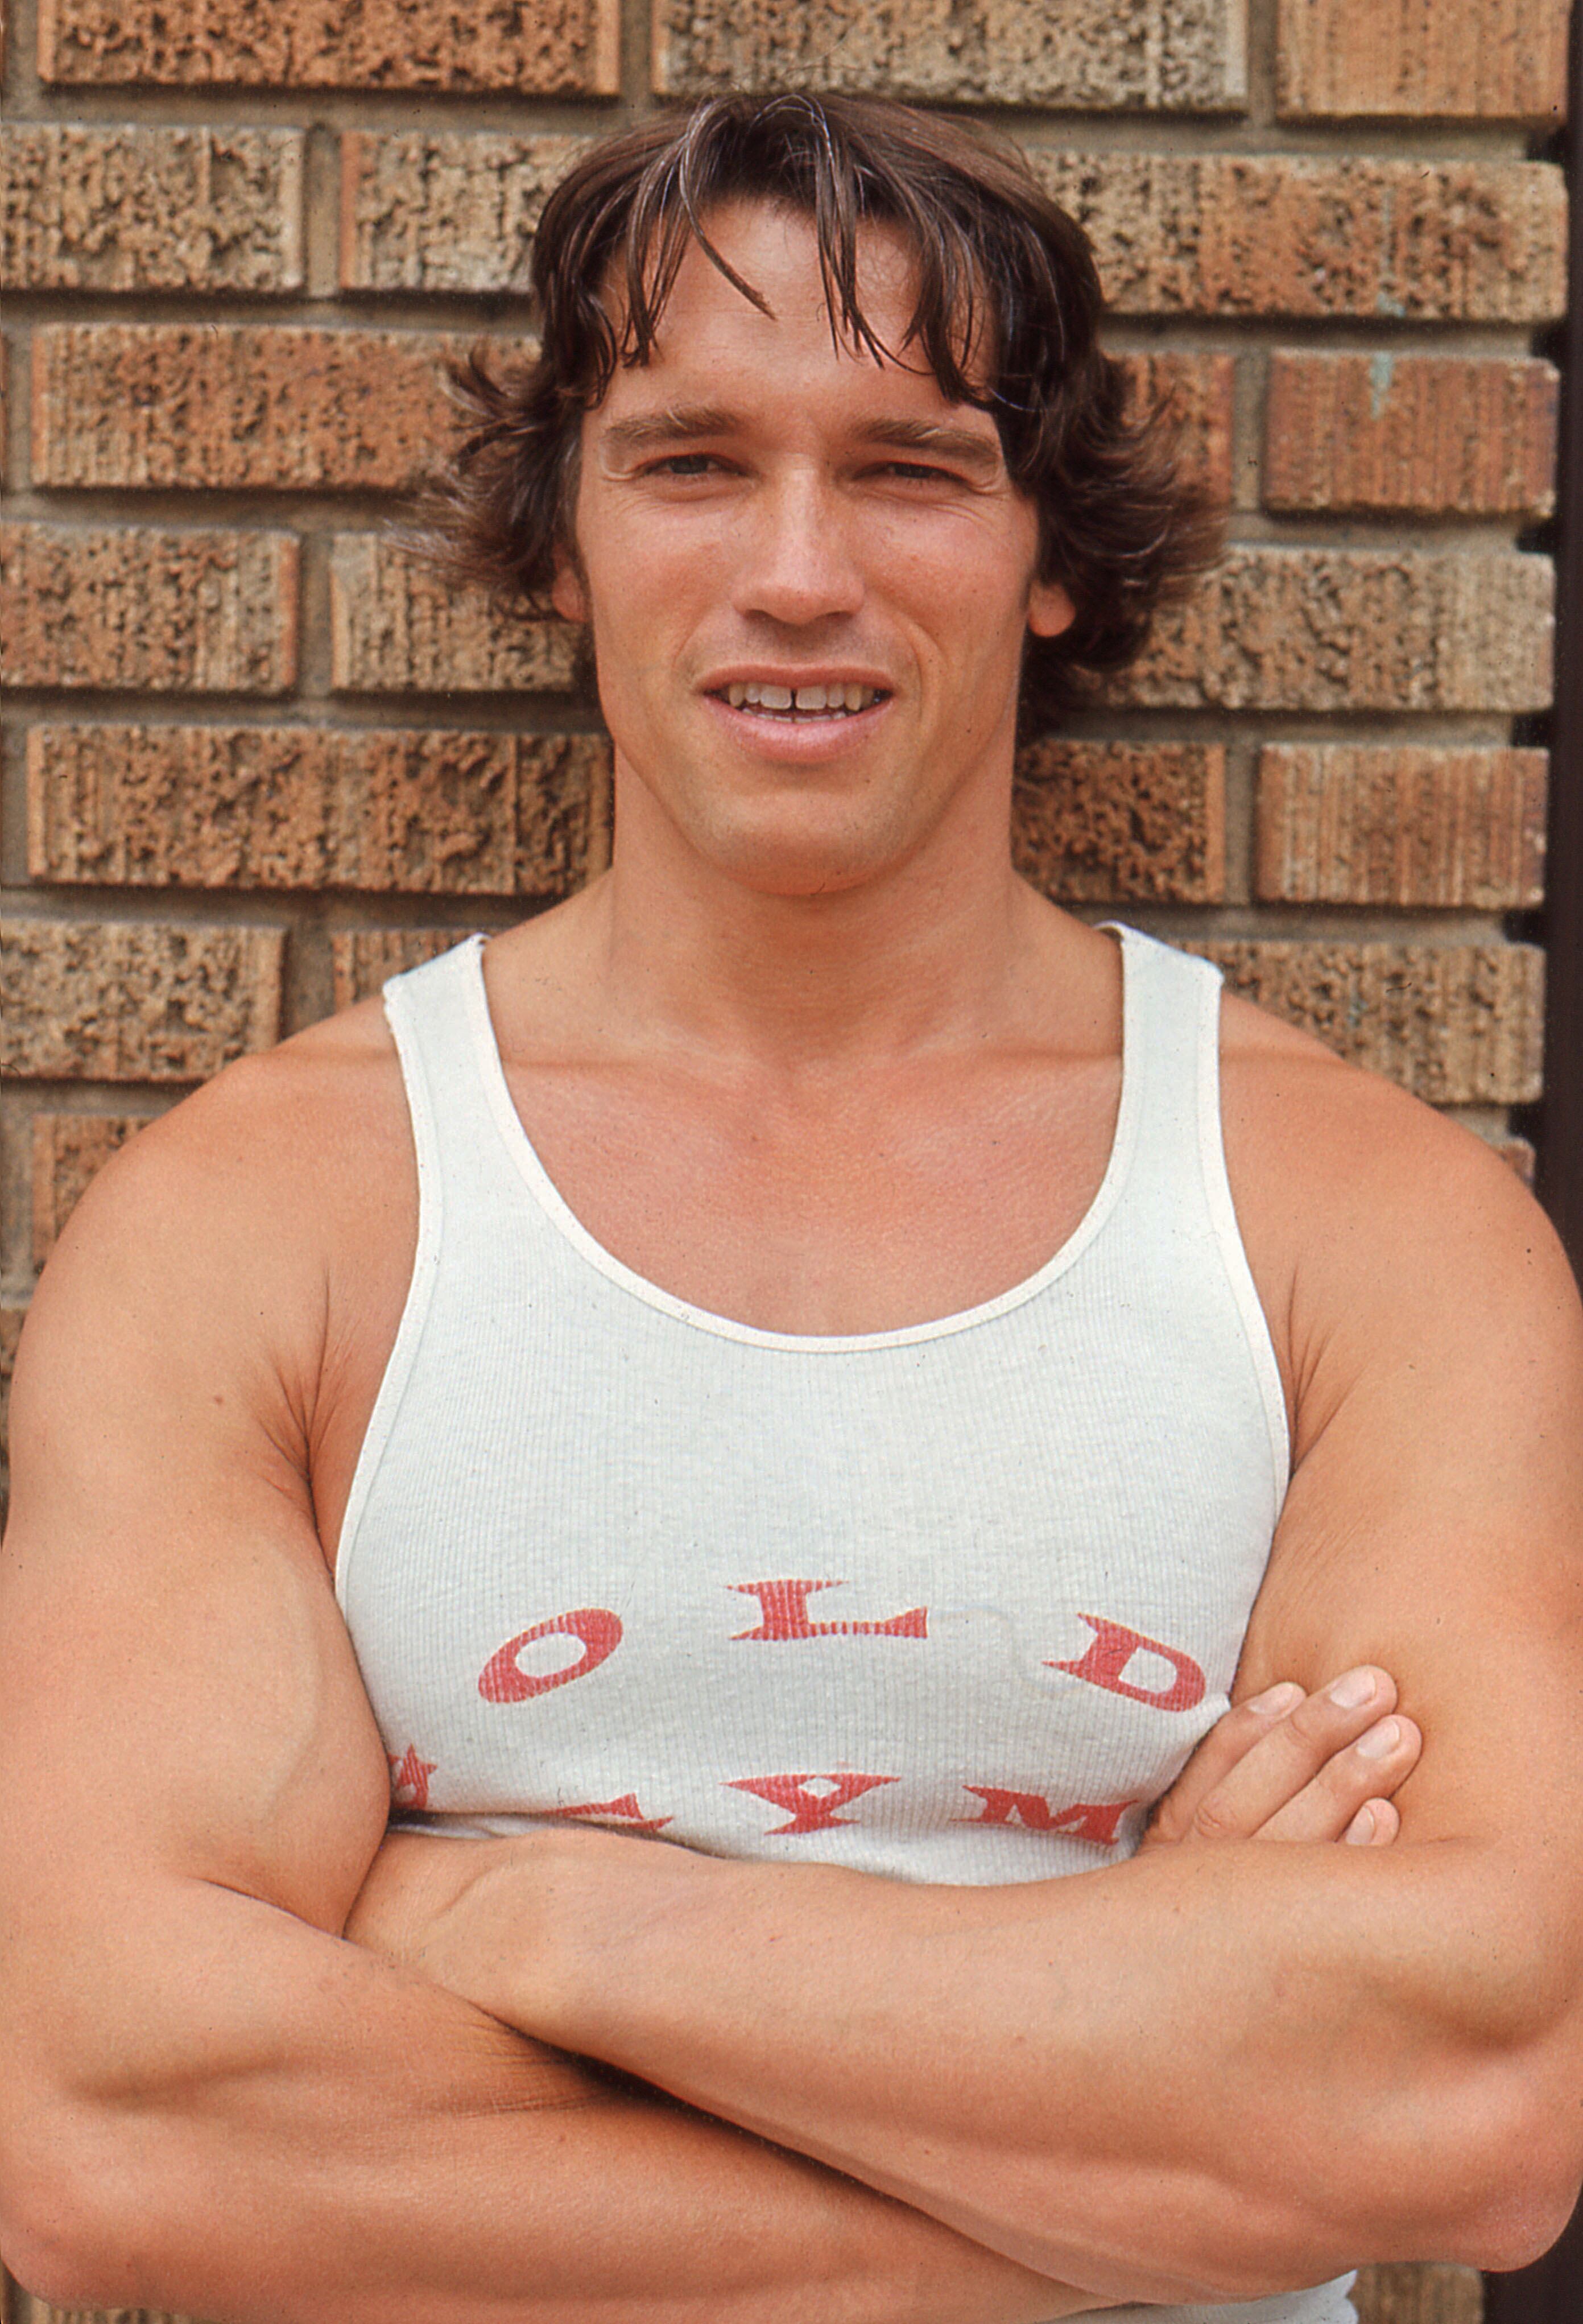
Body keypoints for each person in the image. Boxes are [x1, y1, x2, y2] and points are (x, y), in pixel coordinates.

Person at [2, 91, 1580, 2324]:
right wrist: (1137, 2131)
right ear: (564, 534)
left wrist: (545, 1924)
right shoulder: (267, 1225)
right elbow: (110, 2131)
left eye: (910, 469)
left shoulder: (1356, 1229)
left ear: (1049, 550)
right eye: (694, 461)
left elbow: (1470, 2097)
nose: (800, 571)